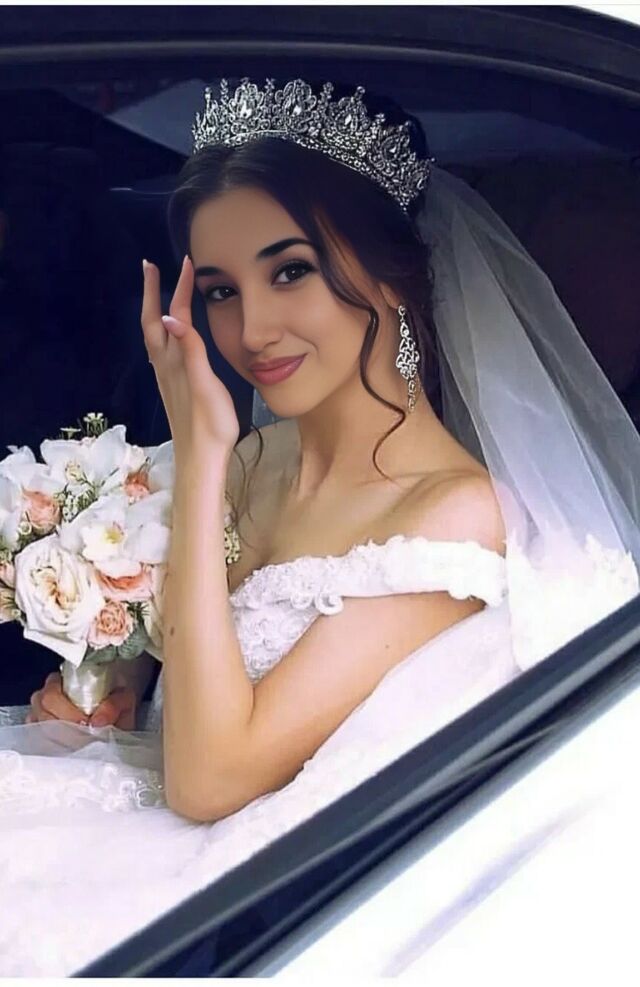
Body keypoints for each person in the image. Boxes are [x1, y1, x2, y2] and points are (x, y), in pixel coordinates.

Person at [0, 75, 639, 976]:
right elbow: (169, 655)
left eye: (290, 270)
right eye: (220, 289)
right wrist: (105, 682)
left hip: (261, 902)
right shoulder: (257, 460)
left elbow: (211, 781)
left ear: (391, 274)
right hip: (123, 810)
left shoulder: (452, 517)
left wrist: (202, 450)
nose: (252, 328)